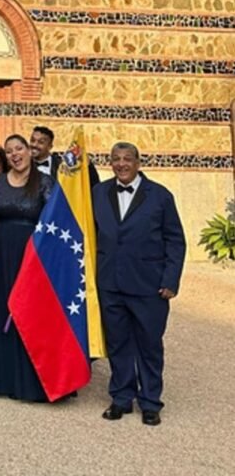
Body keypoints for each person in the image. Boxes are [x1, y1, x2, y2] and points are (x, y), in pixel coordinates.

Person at [93, 142, 186, 426]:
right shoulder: (98, 193)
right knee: (118, 343)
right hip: (110, 282)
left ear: (137, 163)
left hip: (149, 285)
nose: (121, 164)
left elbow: (175, 240)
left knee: (149, 345)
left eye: (127, 159)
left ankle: (150, 402)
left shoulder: (160, 196)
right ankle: (121, 398)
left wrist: (170, 280)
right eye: (115, 159)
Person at [0, 134, 52, 402]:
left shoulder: (45, 182)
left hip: (32, 257)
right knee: (4, 310)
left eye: (19, 148)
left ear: (29, 151)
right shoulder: (0, 182)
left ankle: (32, 382)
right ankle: (5, 379)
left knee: (30, 313)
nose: (14, 154)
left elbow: (53, 222)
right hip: (3, 254)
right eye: (9, 151)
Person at [31, 124, 100, 187]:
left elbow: (90, 183)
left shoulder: (62, 165)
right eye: (32, 140)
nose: (34, 145)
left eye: (41, 142)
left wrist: (87, 163)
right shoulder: (25, 163)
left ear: (50, 146)